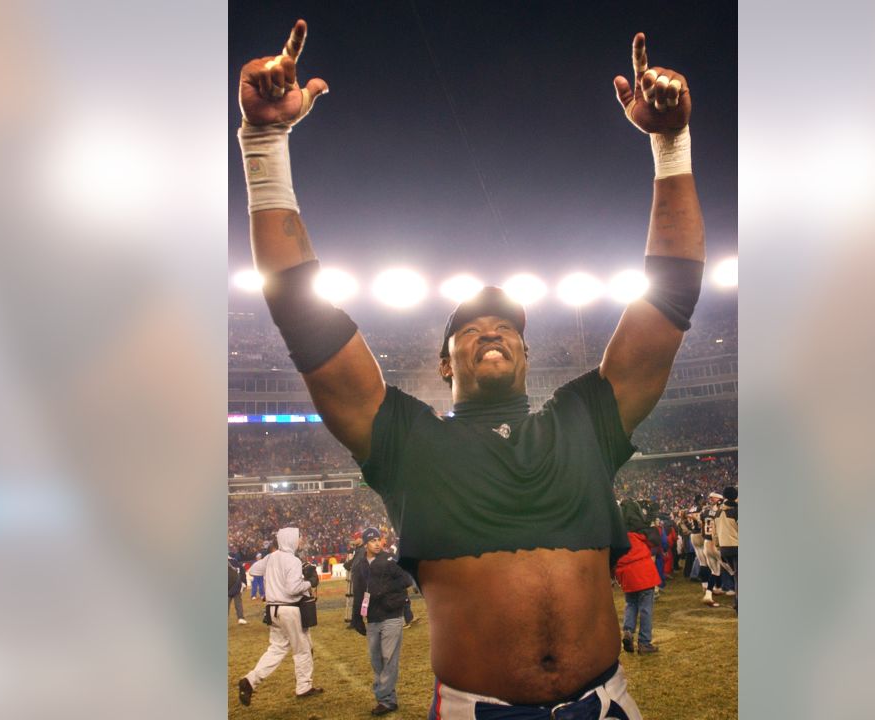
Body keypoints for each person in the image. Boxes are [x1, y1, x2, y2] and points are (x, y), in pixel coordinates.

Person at [236, 19, 703, 718]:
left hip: (606, 703)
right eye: (471, 328)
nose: (492, 331)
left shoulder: (584, 419)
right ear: (443, 362)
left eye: (508, 327)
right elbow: (304, 318)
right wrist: (265, 145)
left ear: (527, 353)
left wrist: (671, 147)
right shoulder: (408, 442)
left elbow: (668, 300)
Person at [236, 527, 323, 706]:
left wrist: (274, 575)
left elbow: (253, 570)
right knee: (303, 648)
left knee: (276, 649)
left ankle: (250, 680)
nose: (300, 541)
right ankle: (304, 687)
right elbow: (293, 589)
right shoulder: (292, 560)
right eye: (299, 538)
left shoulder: (272, 557)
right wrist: (309, 582)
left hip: (272, 610)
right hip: (289, 609)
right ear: (291, 539)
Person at [349, 527, 415, 715]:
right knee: (376, 660)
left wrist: (384, 588)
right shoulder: (360, 565)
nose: (377, 543)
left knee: (389, 659)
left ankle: (383, 697)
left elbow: (407, 579)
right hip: (372, 617)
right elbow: (359, 592)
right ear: (365, 543)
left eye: (379, 539)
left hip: (392, 616)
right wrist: (356, 617)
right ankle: (388, 700)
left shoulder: (389, 559)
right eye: (373, 540)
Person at [615, 501, 662, 655]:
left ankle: (628, 631)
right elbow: (656, 540)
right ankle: (644, 643)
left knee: (631, 604)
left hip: (626, 575)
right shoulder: (640, 533)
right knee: (646, 608)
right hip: (643, 573)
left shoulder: (616, 534)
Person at [714, 486, 738, 612]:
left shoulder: (718, 512)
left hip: (724, 548)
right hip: (736, 547)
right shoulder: (736, 511)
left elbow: (715, 533)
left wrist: (718, 545)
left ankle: (737, 602)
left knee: (736, 575)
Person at [228, 554, 248, 625]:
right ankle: (241, 618)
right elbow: (243, 573)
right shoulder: (236, 562)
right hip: (237, 586)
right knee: (238, 603)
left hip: (228, 587)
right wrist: (244, 583)